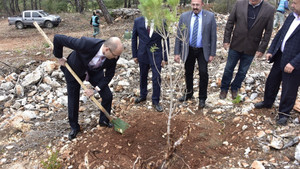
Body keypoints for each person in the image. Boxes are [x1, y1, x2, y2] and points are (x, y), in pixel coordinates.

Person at [53, 34, 124, 140]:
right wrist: (59, 57)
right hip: (75, 69)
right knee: (73, 98)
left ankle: (104, 121)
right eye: (114, 55)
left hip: (95, 71)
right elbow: (58, 38)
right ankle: (74, 127)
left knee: (107, 95)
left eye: (117, 56)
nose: (116, 58)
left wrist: (95, 90)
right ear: (107, 49)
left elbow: (109, 75)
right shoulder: (85, 43)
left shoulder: (114, 55)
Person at [255, 0, 300, 126]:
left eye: (295, 3)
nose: (292, 5)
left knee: (289, 89)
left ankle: (284, 114)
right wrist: (271, 50)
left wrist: (294, 63)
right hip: (280, 56)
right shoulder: (291, 16)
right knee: (272, 80)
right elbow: (280, 34)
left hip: (294, 63)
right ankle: (267, 102)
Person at [219, 0, 275, 100]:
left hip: (252, 46)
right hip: (236, 43)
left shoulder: (269, 9)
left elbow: (268, 32)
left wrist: (262, 48)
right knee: (228, 68)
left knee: (242, 71)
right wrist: (226, 40)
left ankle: (235, 87)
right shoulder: (239, 4)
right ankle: (224, 88)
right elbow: (230, 23)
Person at [174, 0, 217, 108]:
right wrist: (176, 52)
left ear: (202, 4)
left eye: (197, 5)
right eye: (193, 5)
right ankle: (189, 93)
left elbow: (213, 36)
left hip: (203, 50)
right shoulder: (184, 16)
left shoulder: (210, 16)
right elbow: (179, 35)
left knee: (203, 73)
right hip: (188, 49)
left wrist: (212, 53)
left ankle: (202, 98)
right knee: (188, 72)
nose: (195, 7)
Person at [132, 16, 169, 112]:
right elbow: (134, 38)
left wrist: (165, 57)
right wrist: (134, 55)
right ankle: (143, 95)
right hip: (142, 53)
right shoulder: (138, 21)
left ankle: (155, 101)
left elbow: (166, 39)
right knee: (143, 75)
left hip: (156, 54)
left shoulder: (161, 21)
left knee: (156, 77)